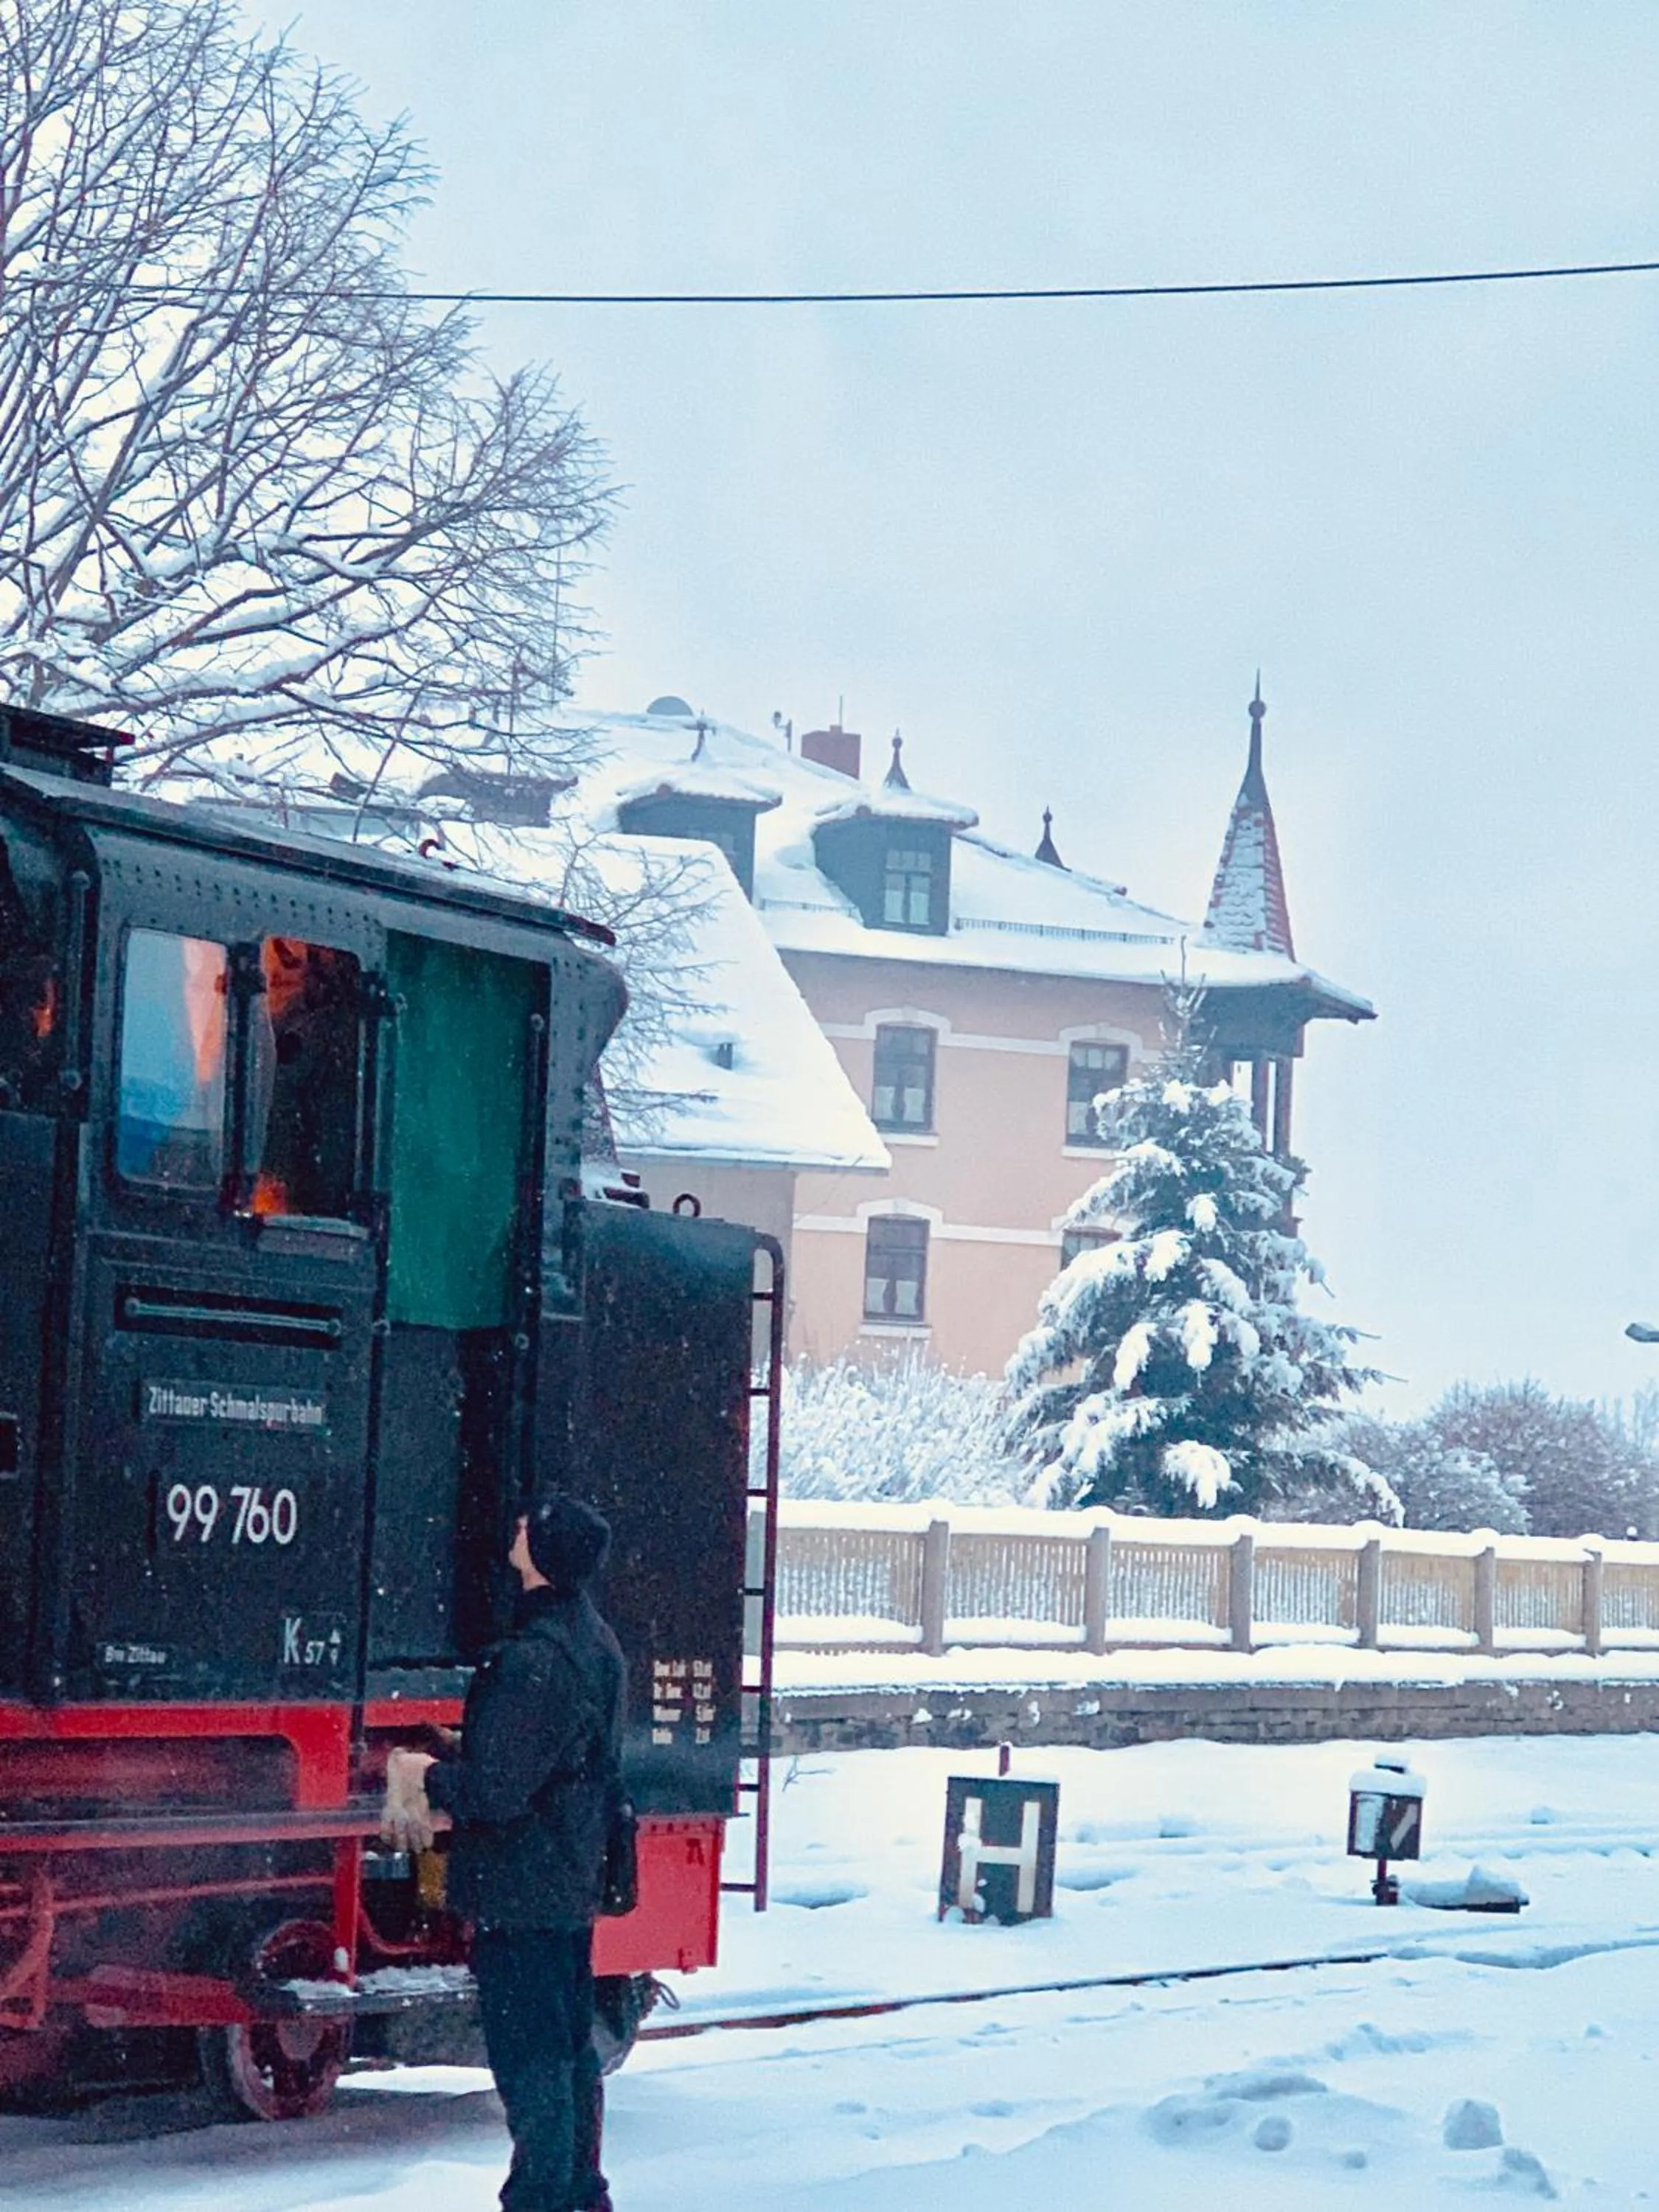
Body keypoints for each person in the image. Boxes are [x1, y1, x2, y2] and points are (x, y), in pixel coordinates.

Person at [385, 1492, 625, 2212]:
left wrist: (426, 1773)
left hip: (523, 1886)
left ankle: (543, 2199)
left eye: (531, 1528)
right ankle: (580, 2192)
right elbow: (554, 1759)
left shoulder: (536, 1660)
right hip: (565, 1877)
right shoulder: (591, 1642)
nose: (516, 1529)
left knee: (531, 2063)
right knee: (567, 2052)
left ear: (546, 1561)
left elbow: (496, 1793)